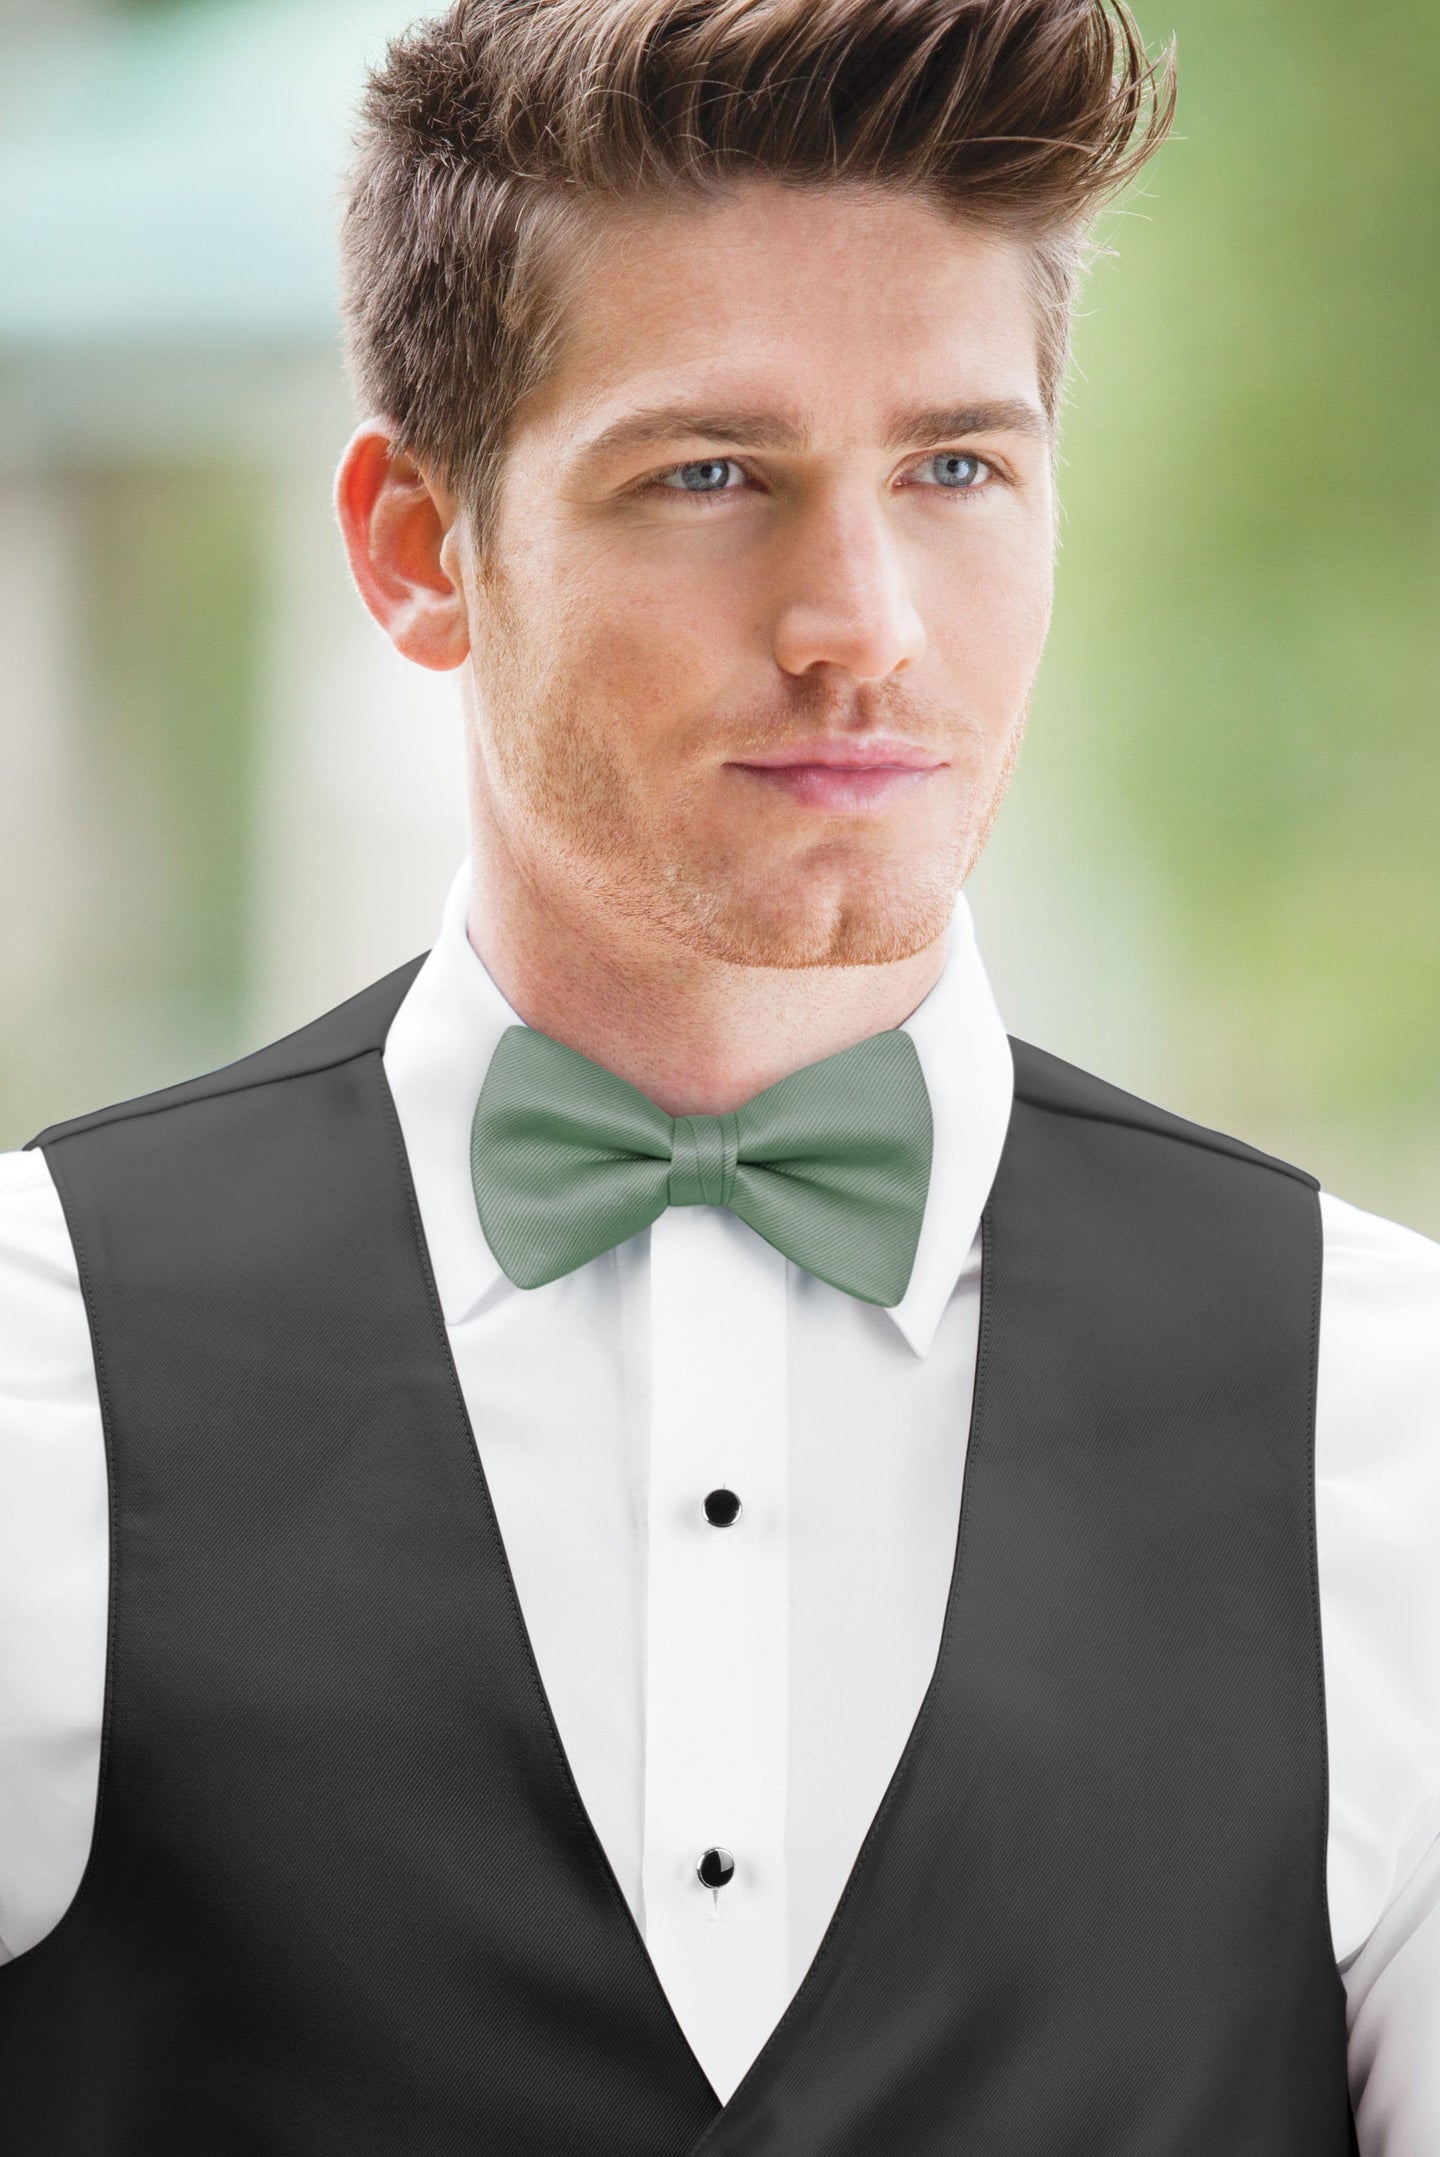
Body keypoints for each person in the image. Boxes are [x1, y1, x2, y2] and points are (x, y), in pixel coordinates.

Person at [0, 0, 1435, 2147]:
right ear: (417, 546)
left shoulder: (1393, 1417)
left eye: (956, 466)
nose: (862, 618)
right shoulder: (32, 1371)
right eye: (710, 475)